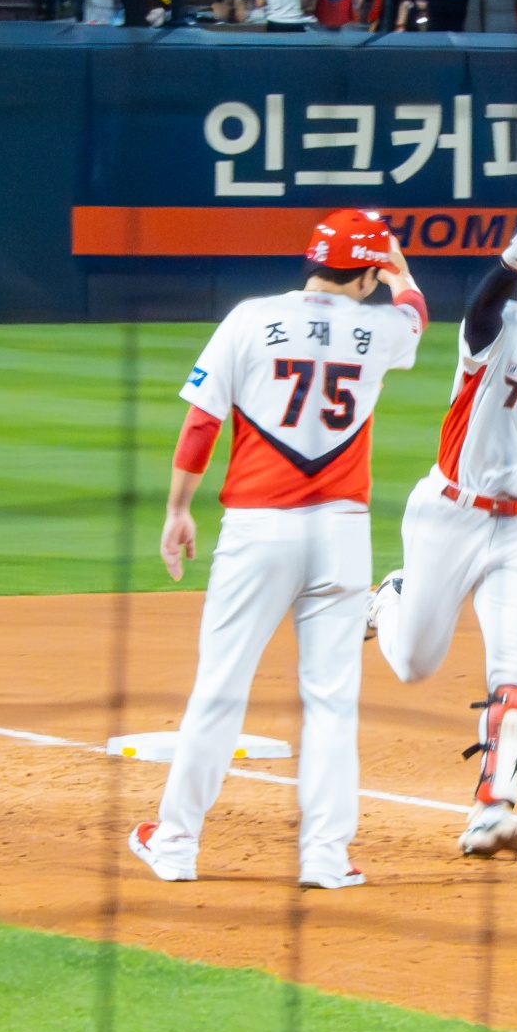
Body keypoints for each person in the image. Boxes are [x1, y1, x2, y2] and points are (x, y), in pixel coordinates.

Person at [132, 211, 427, 888]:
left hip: (257, 531)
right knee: (331, 701)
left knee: (219, 687)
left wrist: (178, 510)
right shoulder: (379, 329)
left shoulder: (249, 318)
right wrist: (401, 274)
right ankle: (325, 857)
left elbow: (201, 422)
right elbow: (415, 314)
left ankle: (175, 843)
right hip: (342, 534)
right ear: (367, 274)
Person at [367, 208, 517, 858]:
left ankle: (492, 810)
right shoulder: (497, 332)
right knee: (415, 665)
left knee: (515, 665)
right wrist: (509, 261)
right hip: (449, 516)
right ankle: (391, 596)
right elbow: (479, 310)